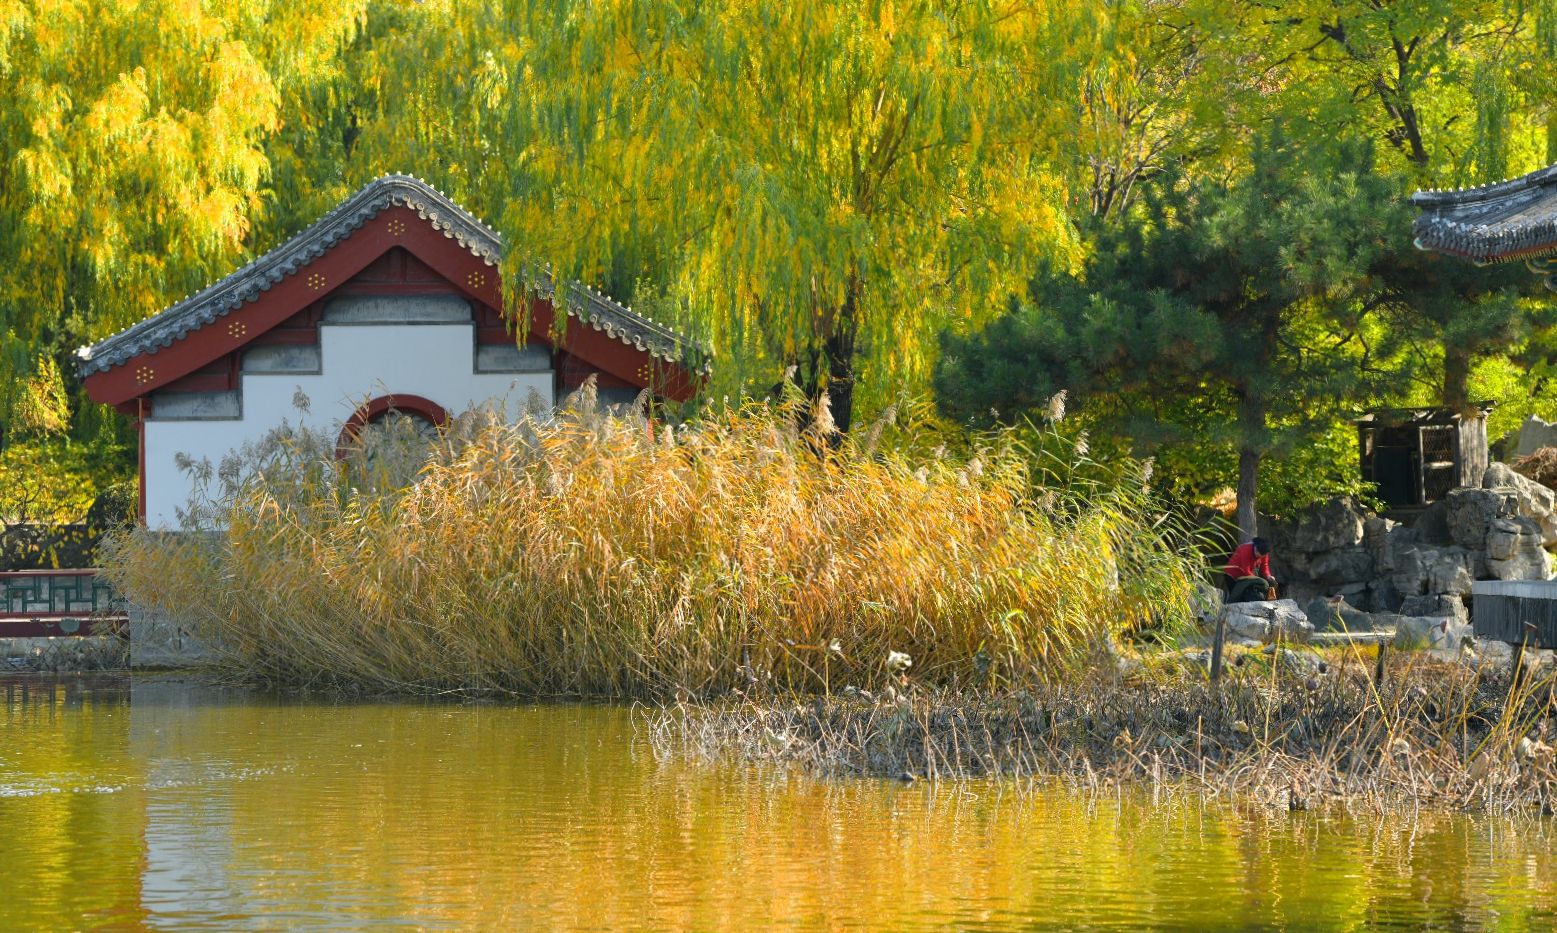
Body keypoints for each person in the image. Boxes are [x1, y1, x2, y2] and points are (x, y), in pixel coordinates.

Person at [1223, 537, 1276, 604]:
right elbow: (1246, 570)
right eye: (1257, 553)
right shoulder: (1246, 549)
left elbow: (1264, 565)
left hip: (1245, 577)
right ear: (1256, 547)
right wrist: (1259, 580)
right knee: (1236, 598)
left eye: (1261, 556)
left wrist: (1268, 576)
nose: (1258, 556)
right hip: (1232, 575)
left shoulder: (1264, 553)